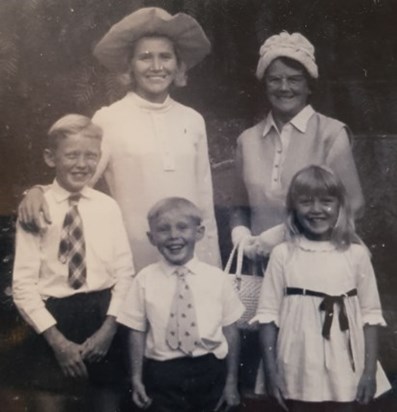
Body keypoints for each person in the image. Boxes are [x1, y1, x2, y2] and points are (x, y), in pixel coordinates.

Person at [18, 7, 221, 271]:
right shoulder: (110, 118)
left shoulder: (192, 120)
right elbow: (78, 178)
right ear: (129, 66)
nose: (157, 67)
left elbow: (204, 198)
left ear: (178, 64)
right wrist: (35, 192)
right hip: (134, 254)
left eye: (165, 57)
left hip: (189, 255)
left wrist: (211, 267)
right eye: (145, 58)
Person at [12, 114, 135, 412]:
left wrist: (109, 329)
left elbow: (125, 273)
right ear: (50, 157)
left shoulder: (107, 207)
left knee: (106, 403)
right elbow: (23, 285)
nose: (82, 164)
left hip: (103, 319)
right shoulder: (36, 208)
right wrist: (57, 342)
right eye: (72, 155)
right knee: (50, 402)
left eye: (90, 156)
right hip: (53, 322)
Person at [251, 165, 390, 412]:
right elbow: (267, 317)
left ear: (340, 206)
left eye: (326, 201)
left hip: (346, 361)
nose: (316, 210)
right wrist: (271, 373)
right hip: (297, 362)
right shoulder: (283, 254)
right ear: (293, 208)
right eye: (305, 202)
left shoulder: (356, 255)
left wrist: (369, 372)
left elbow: (371, 316)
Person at [230, 31, 365, 267]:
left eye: (294, 79)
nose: (284, 88)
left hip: (317, 263)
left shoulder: (331, 134)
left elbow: (354, 205)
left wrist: (284, 234)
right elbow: (238, 205)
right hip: (261, 267)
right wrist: (240, 234)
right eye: (275, 79)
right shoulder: (247, 140)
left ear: (309, 85)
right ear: (265, 85)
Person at [117, 197, 245, 412]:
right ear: (151, 237)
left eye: (183, 227)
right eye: (163, 229)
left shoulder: (217, 278)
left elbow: (230, 331)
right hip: (163, 373)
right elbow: (136, 331)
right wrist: (136, 378)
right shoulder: (144, 279)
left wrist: (231, 382)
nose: (174, 236)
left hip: (210, 369)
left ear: (199, 232)